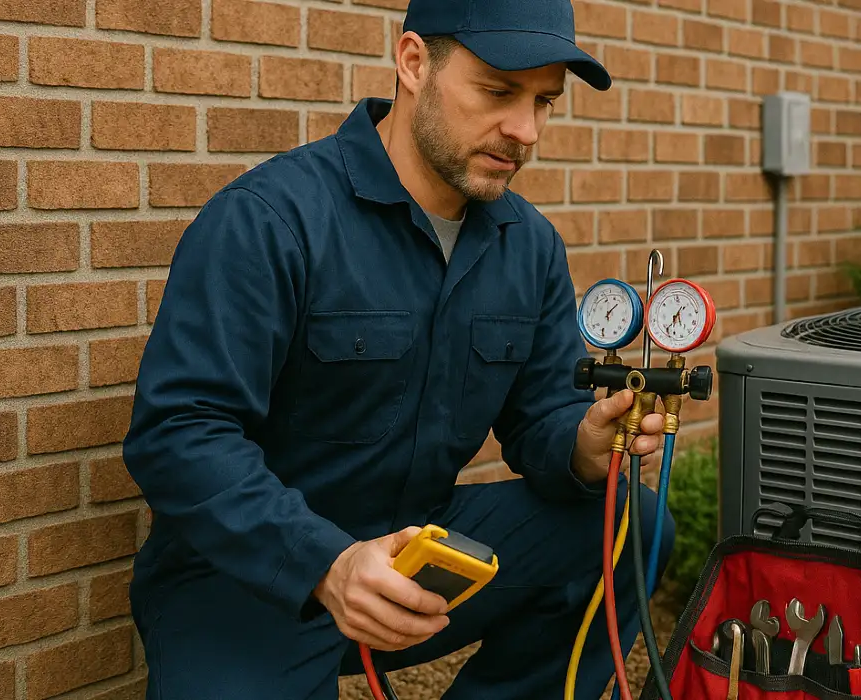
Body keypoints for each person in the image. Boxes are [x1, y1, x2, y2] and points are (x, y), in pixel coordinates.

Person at [120, 0, 675, 697]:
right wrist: (327, 562)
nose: (524, 130)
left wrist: (581, 448)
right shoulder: (270, 220)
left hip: (421, 556)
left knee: (629, 526)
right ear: (414, 62)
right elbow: (178, 432)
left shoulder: (528, 247)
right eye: (499, 92)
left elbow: (542, 418)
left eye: (544, 101)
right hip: (249, 579)